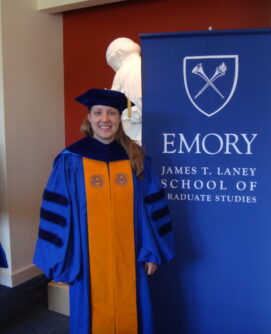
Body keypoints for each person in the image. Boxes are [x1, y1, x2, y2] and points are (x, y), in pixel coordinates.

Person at [33, 89, 175, 334]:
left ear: (120, 118)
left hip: (131, 255)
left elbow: (152, 208)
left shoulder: (137, 159)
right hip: (87, 259)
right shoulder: (70, 161)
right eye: (98, 113)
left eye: (111, 113)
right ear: (89, 117)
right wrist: (61, 260)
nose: (104, 119)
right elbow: (56, 215)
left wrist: (152, 252)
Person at [106, 37, 142, 144]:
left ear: (119, 56)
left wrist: (114, 111)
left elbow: (138, 111)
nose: (114, 69)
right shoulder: (136, 70)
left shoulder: (134, 71)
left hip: (135, 138)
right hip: (131, 136)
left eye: (112, 63)